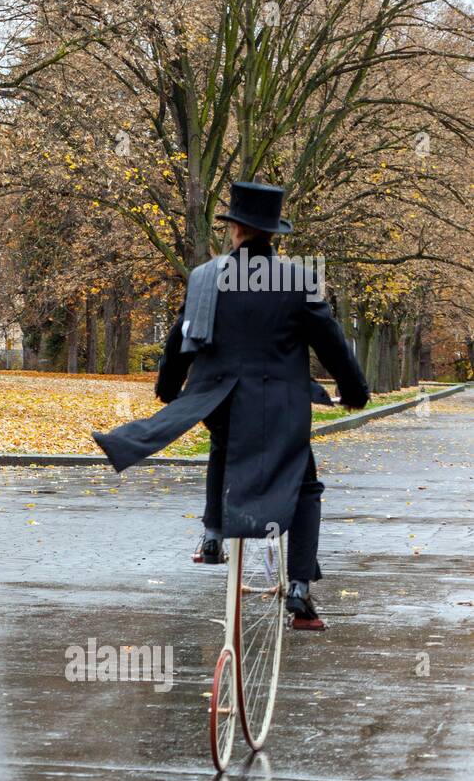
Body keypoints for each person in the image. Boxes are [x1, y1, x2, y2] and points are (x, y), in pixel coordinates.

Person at [93, 181, 369, 630]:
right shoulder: (300, 280)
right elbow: (332, 345)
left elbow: (180, 340)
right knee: (305, 485)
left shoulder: (205, 277)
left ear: (236, 228)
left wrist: (169, 388)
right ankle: (299, 587)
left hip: (219, 395)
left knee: (223, 445)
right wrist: (354, 393)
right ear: (272, 234)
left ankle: (213, 535)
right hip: (279, 404)